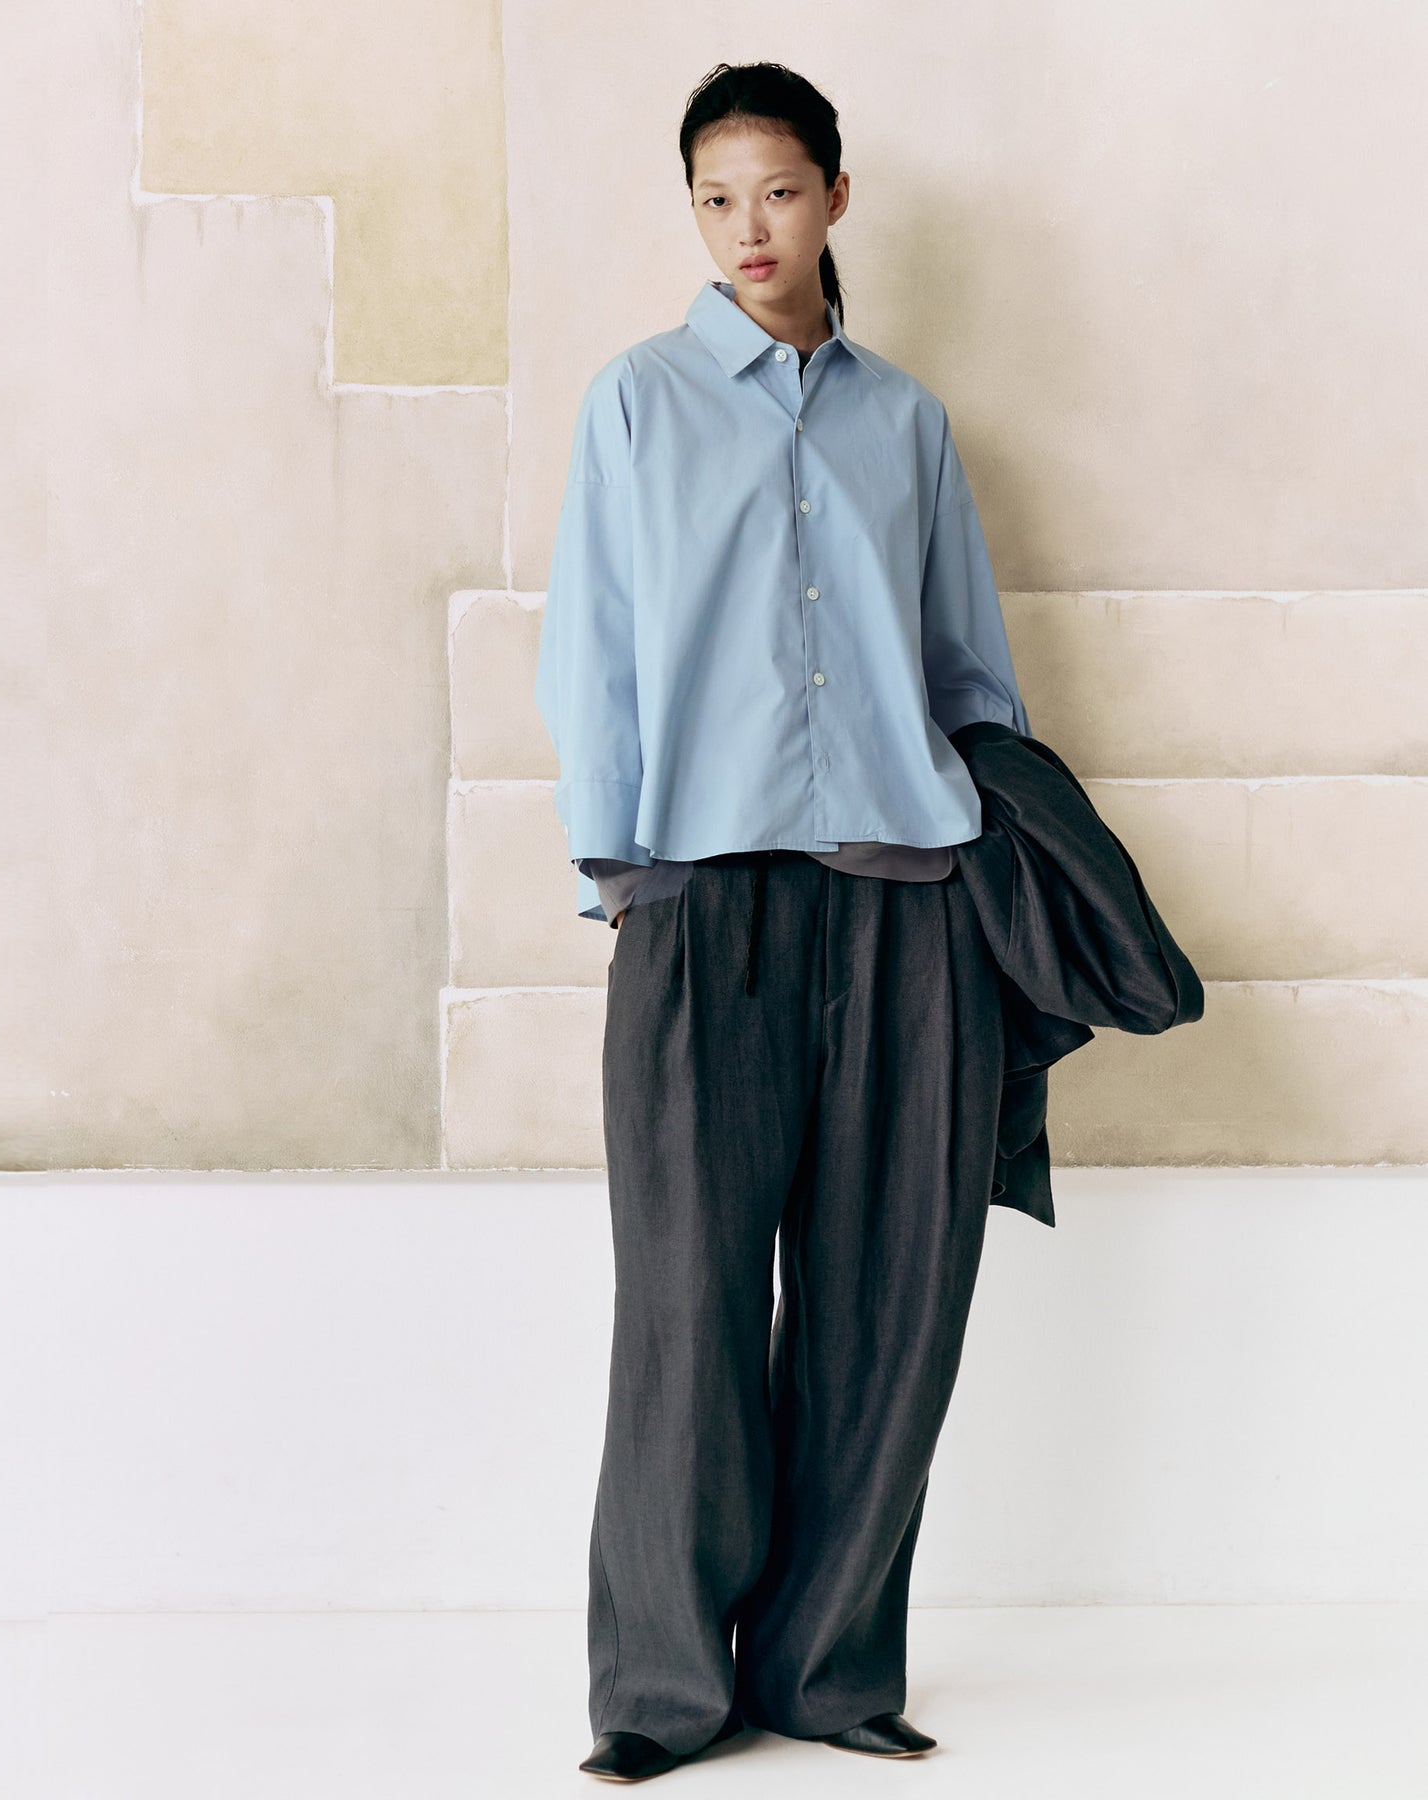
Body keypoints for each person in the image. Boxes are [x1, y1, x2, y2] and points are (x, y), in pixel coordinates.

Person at [535, 60, 1031, 1783]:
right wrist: (622, 871)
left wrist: (987, 848)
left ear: (835, 196)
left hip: (907, 909)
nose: (747, 228)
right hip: (701, 900)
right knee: (687, 1311)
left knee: (885, 1308)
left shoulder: (910, 424)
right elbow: (593, 653)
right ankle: (664, 1692)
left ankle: (829, 1675)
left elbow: (969, 672)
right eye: (714, 198)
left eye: (778, 191)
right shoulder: (637, 403)